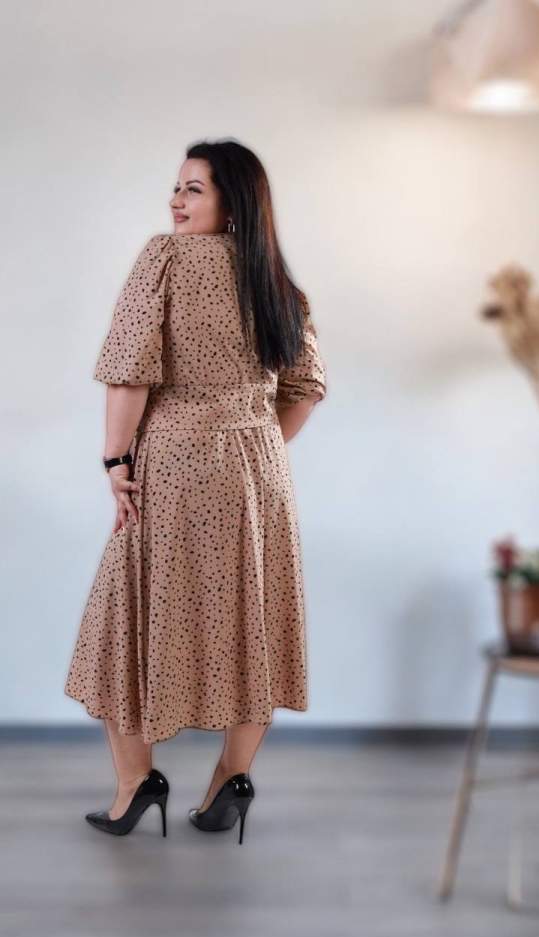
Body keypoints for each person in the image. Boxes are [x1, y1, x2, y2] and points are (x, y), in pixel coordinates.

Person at [64, 138, 328, 843]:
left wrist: (116, 460)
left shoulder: (166, 259)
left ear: (231, 200)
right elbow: (305, 389)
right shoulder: (277, 283)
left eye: (192, 188)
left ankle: (135, 786)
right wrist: (251, 446)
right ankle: (231, 781)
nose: (175, 201)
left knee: (127, 617)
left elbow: (130, 371)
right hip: (260, 473)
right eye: (176, 188)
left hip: (173, 464)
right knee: (252, 617)